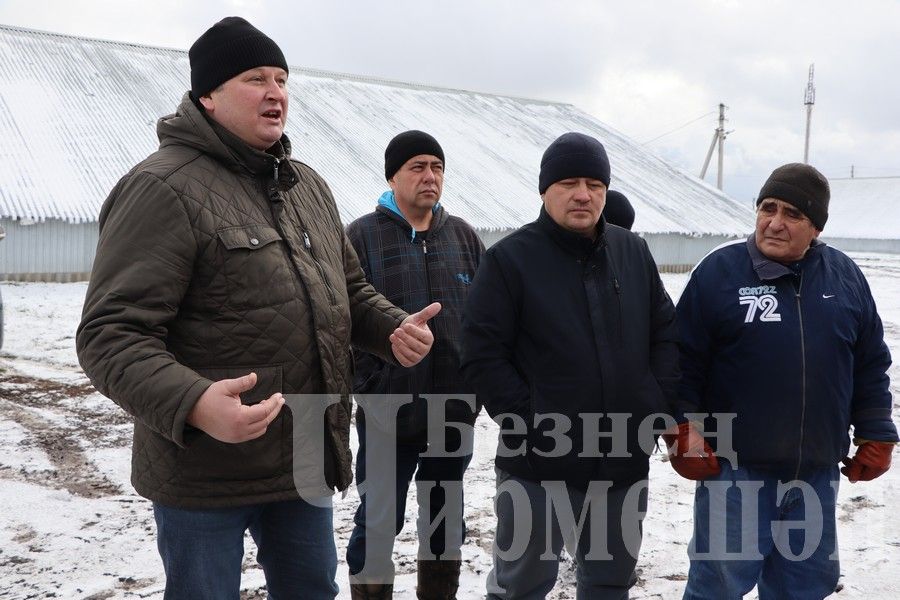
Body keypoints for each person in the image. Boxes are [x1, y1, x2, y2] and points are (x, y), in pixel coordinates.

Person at [75, 17, 440, 600]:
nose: (276, 92)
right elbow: (110, 335)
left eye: (282, 78)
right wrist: (194, 403)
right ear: (208, 97)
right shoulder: (162, 187)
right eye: (254, 78)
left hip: (301, 460)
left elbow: (349, 290)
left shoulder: (306, 186)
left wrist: (390, 326)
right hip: (205, 475)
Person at [461, 132, 680, 599]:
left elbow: (665, 332)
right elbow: (482, 352)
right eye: (569, 183)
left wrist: (652, 402)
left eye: (594, 184)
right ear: (545, 190)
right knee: (521, 585)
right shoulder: (509, 260)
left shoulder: (632, 252)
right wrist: (532, 421)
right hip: (538, 467)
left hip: (622, 460)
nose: (583, 194)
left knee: (609, 584)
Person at [670, 163, 898, 600]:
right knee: (716, 589)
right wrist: (683, 428)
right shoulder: (719, 274)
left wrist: (876, 431)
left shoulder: (845, 277)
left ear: (815, 227)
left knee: (804, 589)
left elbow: (869, 362)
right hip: (734, 474)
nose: (774, 223)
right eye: (766, 208)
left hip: (816, 473)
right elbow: (682, 362)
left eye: (792, 214)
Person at [344, 130, 484, 600]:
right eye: (418, 167)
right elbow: (340, 318)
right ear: (392, 175)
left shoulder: (463, 236)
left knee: (444, 522)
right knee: (379, 520)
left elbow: (484, 320)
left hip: (453, 410)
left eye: (437, 167)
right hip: (388, 410)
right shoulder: (360, 236)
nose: (430, 176)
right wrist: (368, 380)